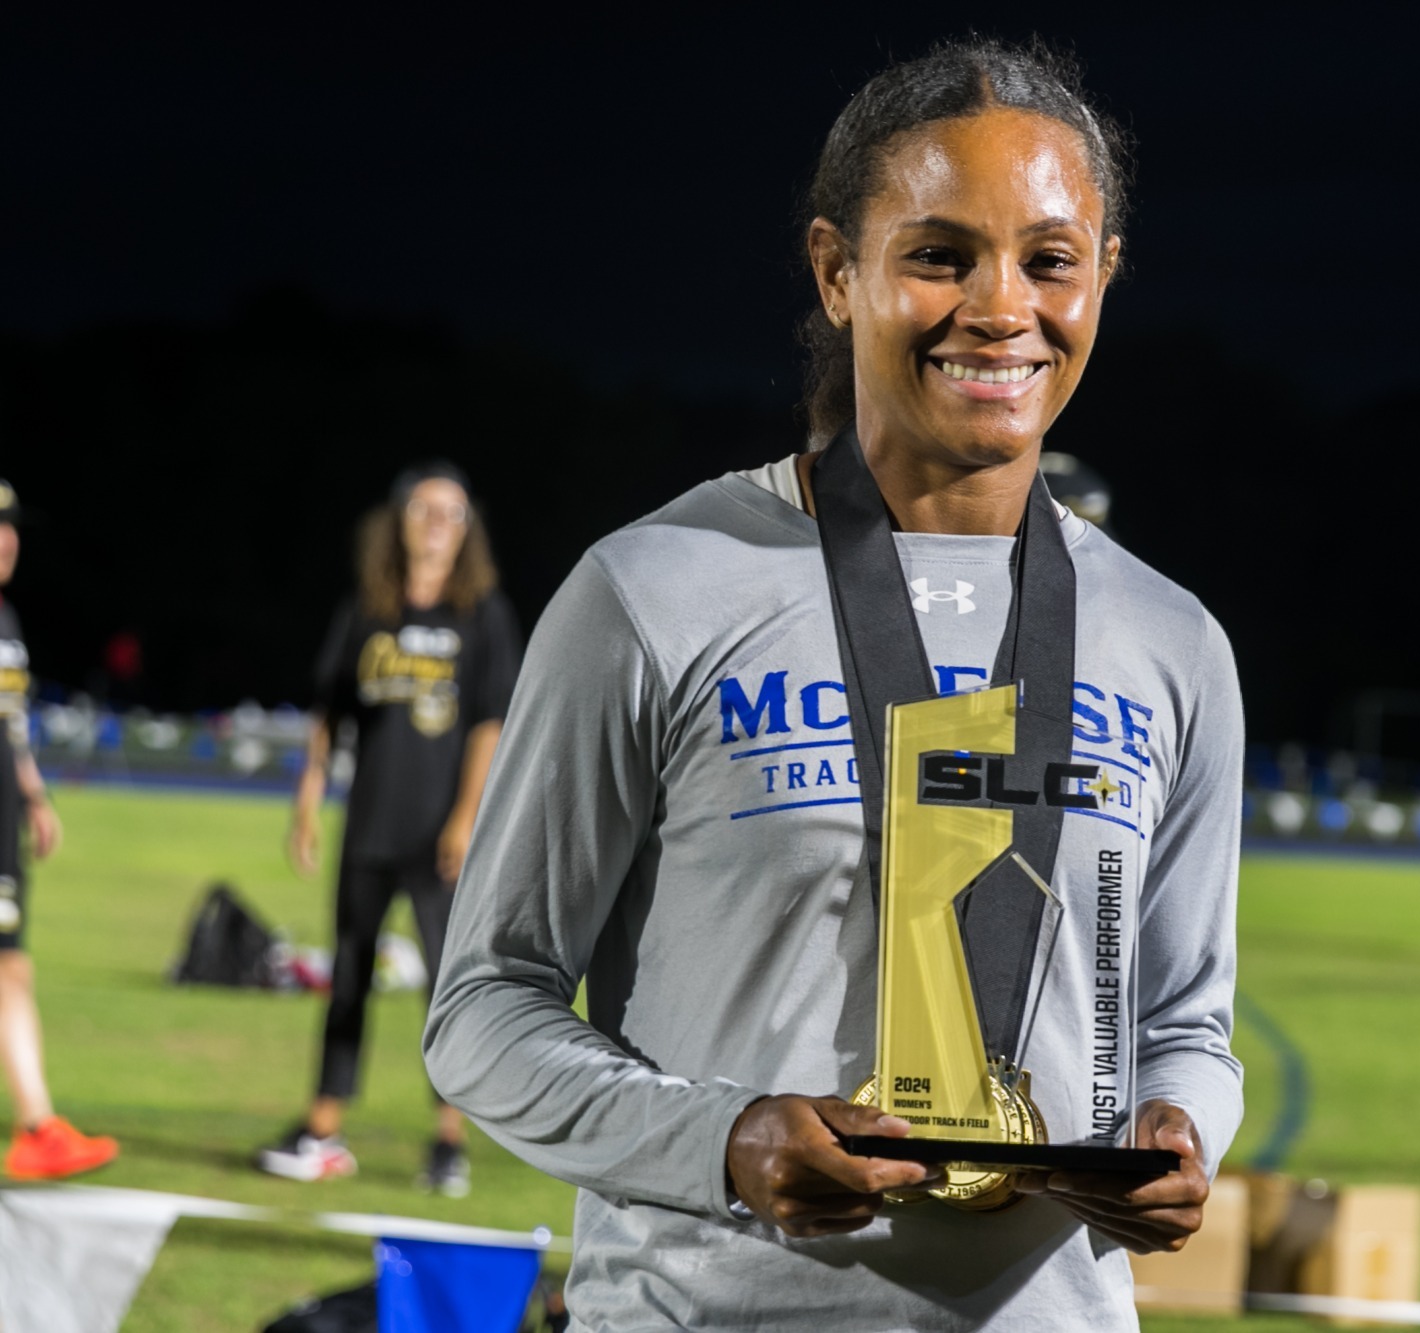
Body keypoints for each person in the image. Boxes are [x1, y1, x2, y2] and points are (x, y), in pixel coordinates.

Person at [423, 38, 1243, 1331]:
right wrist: (723, 1141)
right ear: (836, 271)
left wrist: (1183, 1124)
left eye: (1049, 259)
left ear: (1105, 276)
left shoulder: (1172, 639)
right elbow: (483, 1008)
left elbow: (1190, 1017)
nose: (999, 306)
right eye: (937, 255)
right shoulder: (654, 592)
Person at [256, 463, 521, 1195]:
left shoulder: (483, 613)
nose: (438, 521)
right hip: (368, 829)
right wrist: (307, 798)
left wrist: (467, 816)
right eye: (425, 508)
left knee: (445, 988)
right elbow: (329, 711)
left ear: (468, 529)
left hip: (440, 838)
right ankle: (323, 1127)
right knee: (348, 979)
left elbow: (490, 723)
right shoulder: (368, 609)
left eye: (454, 511)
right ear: (398, 519)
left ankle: (448, 1141)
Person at [0, 481, 120, 1180]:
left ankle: (39, 1126)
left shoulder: (8, 621)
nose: (8, 540)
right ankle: (38, 1124)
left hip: (5, 823)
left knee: (12, 966)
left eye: (11, 527)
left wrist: (36, 797)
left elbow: (11, 725)